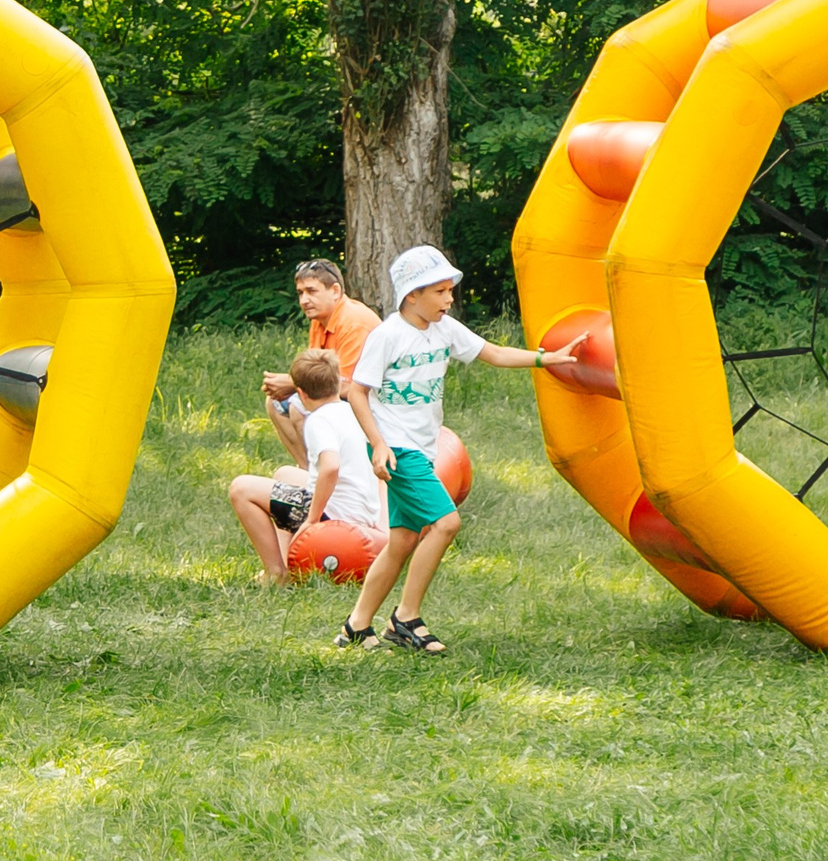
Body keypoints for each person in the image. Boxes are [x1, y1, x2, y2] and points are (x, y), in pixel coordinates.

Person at [338, 245, 584, 652]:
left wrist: (547, 359)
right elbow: (358, 392)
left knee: (401, 540)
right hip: (397, 450)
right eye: (440, 291)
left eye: (450, 290)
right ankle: (405, 618)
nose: (449, 299)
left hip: (422, 446)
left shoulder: (445, 330)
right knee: (447, 523)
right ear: (411, 295)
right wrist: (379, 444)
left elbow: (495, 353)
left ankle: (356, 625)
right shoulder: (388, 336)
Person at [228, 349, 387, 585]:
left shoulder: (319, 420)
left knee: (241, 488)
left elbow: (330, 467)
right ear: (336, 383)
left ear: (300, 393)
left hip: (335, 515)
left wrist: (312, 519)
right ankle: (287, 563)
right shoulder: (352, 411)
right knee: (285, 474)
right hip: (362, 508)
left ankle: (275, 572)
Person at [261, 259, 381, 461]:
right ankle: (308, 472)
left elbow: (347, 387)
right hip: (342, 397)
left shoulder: (354, 322)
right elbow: (315, 371)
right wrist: (290, 385)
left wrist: (292, 384)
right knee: (274, 402)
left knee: (299, 407)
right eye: (300, 293)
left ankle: (324, 474)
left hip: (374, 403)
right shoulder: (320, 319)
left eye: (311, 291)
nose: (304, 300)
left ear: (335, 291)